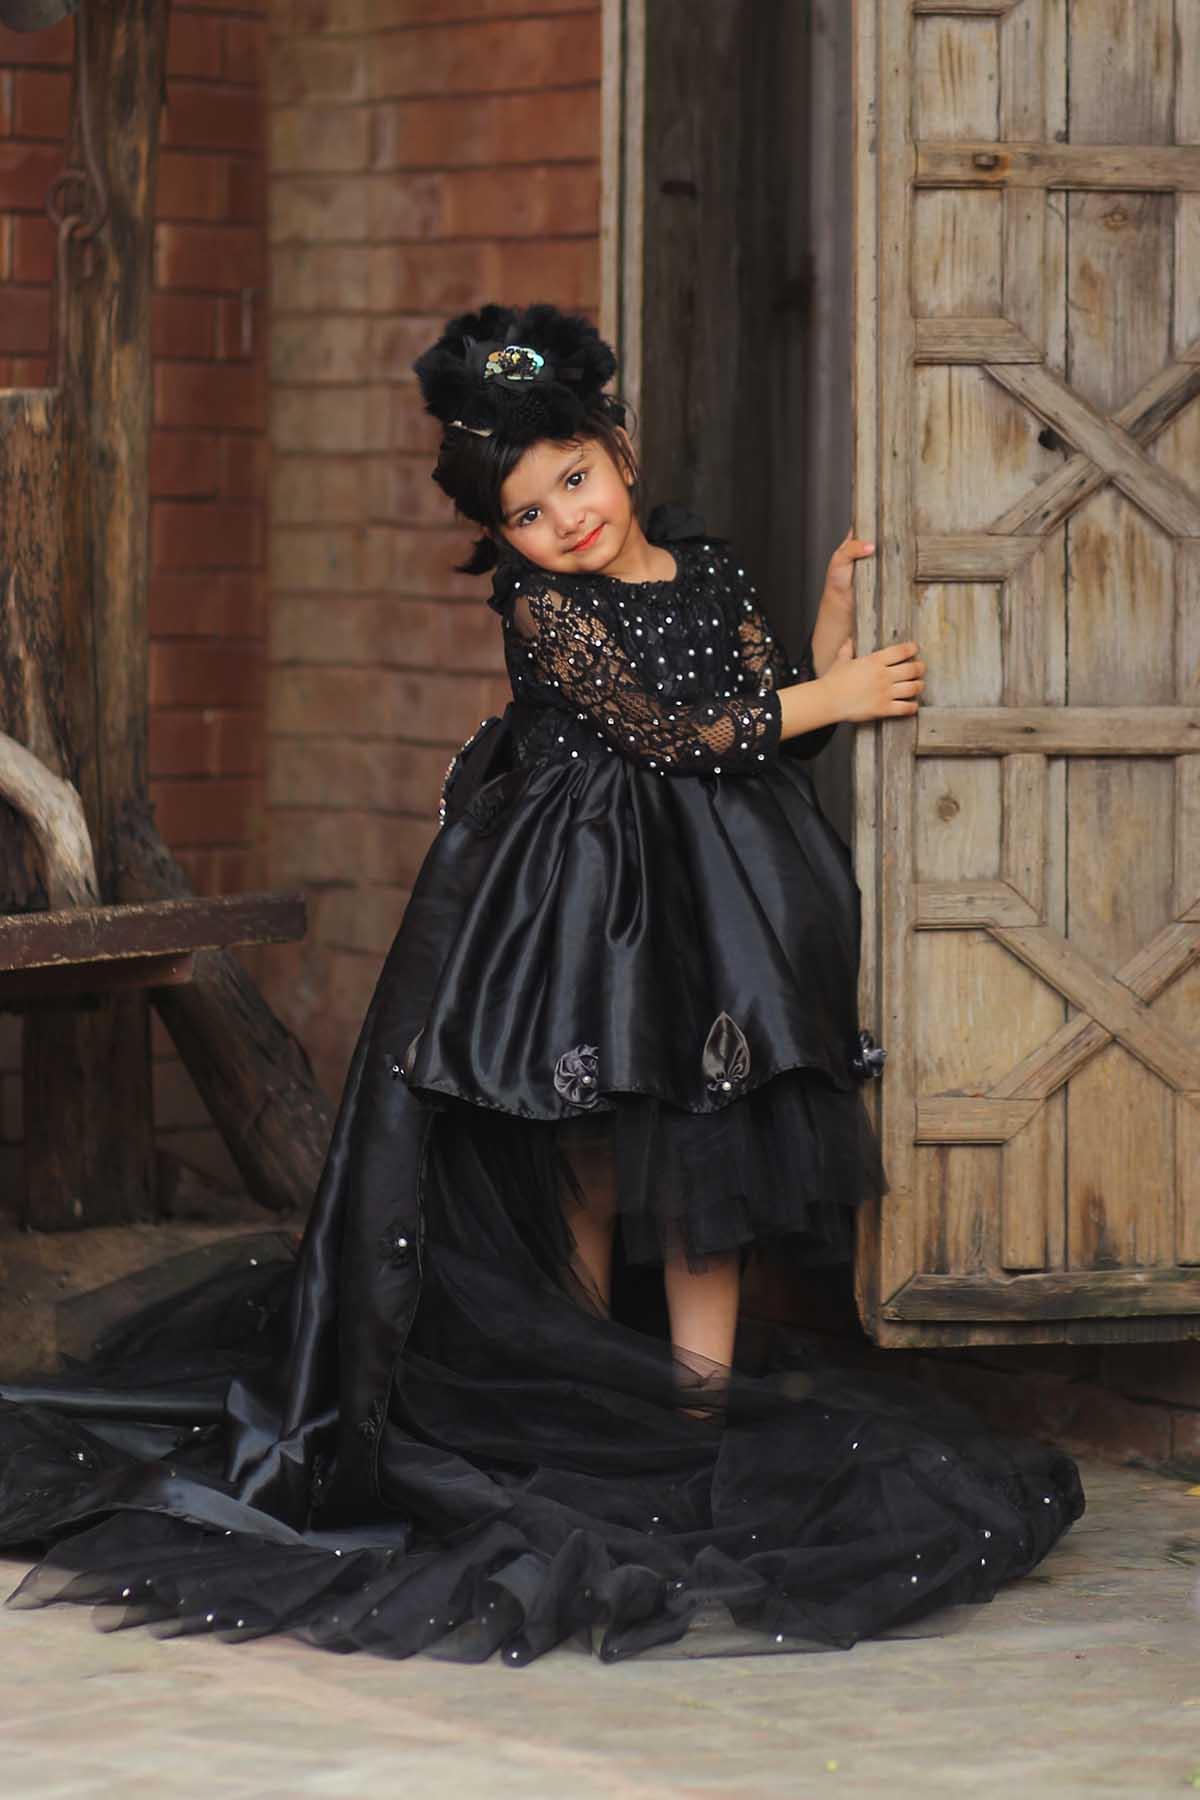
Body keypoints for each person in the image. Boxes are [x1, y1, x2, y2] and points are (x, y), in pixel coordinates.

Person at [0, 302, 1083, 1666]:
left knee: (709, 1157)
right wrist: (832, 696)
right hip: (583, 912)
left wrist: (824, 644)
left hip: (720, 918)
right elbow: (667, 735)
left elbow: (760, 725)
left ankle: (694, 1417)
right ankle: (574, 1386)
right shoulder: (546, 610)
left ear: (618, 452)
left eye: (575, 478)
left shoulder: (710, 566)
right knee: (581, 1156)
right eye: (526, 512)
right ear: (501, 538)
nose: (565, 519)